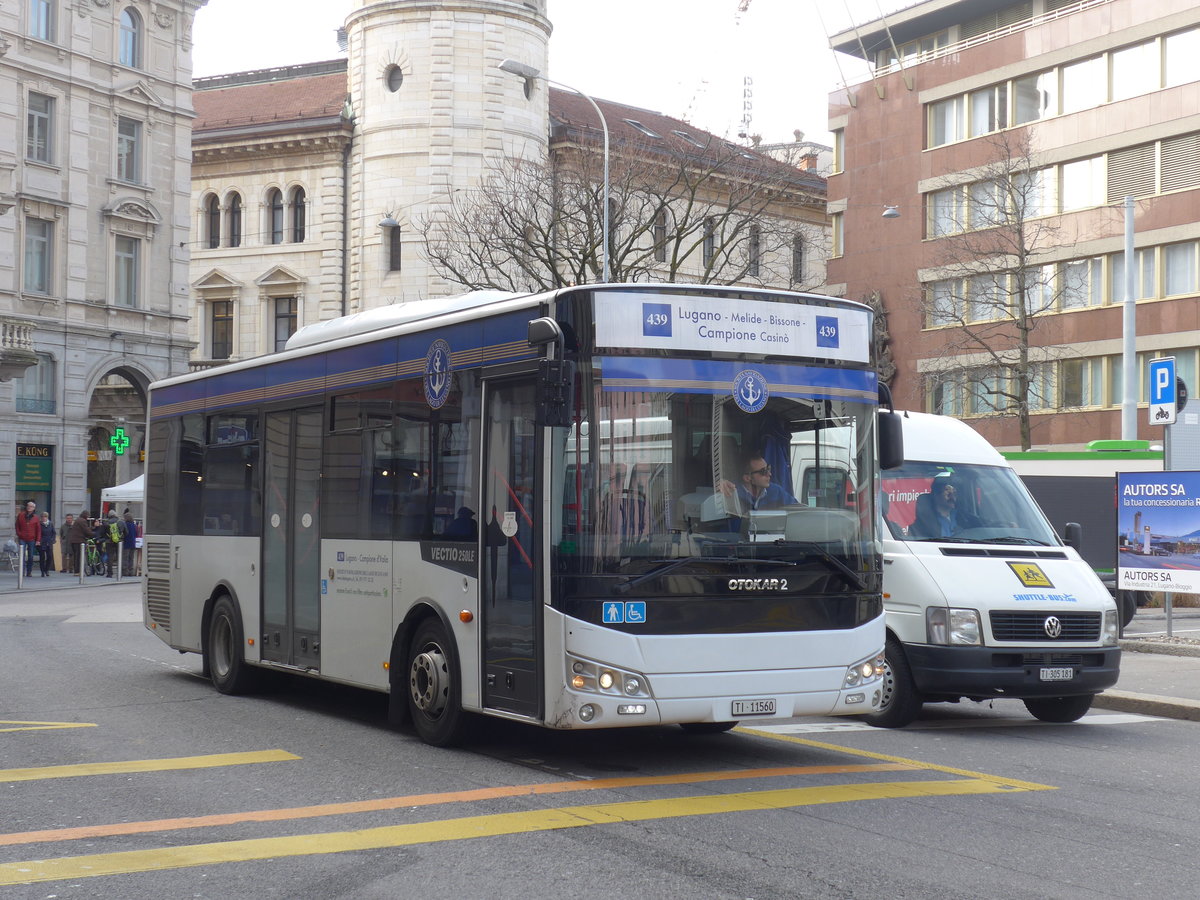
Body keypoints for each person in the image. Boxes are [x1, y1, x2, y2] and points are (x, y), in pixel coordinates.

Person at [911, 474, 982, 539]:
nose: (952, 497)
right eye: (948, 493)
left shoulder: (966, 518)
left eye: (954, 493)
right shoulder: (922, 524)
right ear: (936, 495)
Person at [721, 454, 799, 512]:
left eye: (768, 469)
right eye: (763, 471)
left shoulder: (776, 491)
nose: (769, 474)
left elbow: (799, 510)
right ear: (747, 478)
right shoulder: (731, 493)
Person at [14, 499, 39, 579]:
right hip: (23, 538)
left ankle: (29, 571)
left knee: (31, 556)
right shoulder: (21, 515)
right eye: (28, 506)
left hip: (31, 539)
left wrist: (38, 540)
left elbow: (38, 530)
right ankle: (22, 571)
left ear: (34, 508)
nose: (29, 508)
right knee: (22, 555)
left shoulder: (36, 518)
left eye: (31, 506)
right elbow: (17, 525)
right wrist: (19, 534)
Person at [103, 512, 126, 577]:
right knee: (120, 556)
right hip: (119, 541)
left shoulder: (106, 522)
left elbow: (103, 533)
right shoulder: (121, 522)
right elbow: (126, 532)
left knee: (110, 557)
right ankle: (120, 573)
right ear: (116, 515)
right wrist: (121, 537)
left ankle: (109, 573)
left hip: (109, 541)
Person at [38, 512, 56, 577]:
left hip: (49, 542)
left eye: (45, 517)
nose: (43, 518)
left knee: (49, 557)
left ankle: (47, 570)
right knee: (42, 557)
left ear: (47, 517)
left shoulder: (50, 524)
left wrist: (53, 539)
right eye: (42, 517)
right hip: (42, 542)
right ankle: (42, 571)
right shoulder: (39, 524)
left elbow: (53, 533)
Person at [122, 510, 138, 575]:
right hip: (133, 543)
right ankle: (131, 572)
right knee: (131, 558)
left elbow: (124, 534)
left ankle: (125, 572)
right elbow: (136, 534)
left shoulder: (125, 524)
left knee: (125, 558)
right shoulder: (134, 525)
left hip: (126, 543)